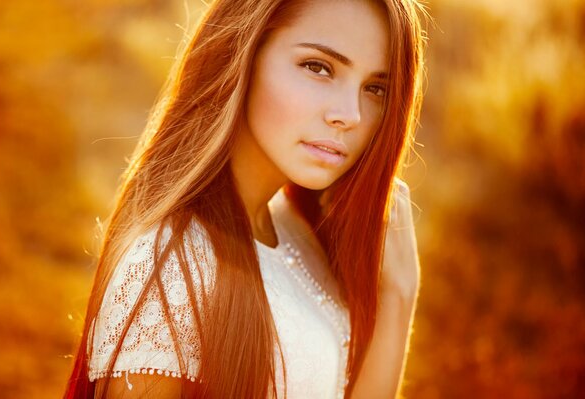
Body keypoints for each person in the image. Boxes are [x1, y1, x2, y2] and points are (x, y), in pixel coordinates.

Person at [64, 0, 427, 397]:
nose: (350, 114)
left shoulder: (296, 227)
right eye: (318, 67)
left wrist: (399, 296)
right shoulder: (171, 266)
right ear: (243, 53)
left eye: (375, 88)